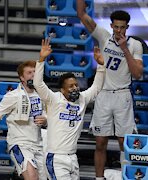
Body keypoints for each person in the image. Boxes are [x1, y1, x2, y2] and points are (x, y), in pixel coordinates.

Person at [76, 1, 143, 179]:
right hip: (103, 94)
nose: (119, 30)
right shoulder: (104, 36)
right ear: (111, 26)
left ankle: (125, 176)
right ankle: (99, 178)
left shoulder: (135, 45)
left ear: (127, 27)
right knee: (100, 142)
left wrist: (124, 49)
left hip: (123, 95)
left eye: (122, 27)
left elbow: (137, 74)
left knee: (124, 142)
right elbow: (82, 15)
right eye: (116, 27)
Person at [33, 38, 105, 179]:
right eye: (71, 86)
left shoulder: (82, 99)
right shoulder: (54, 99)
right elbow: (38, 83)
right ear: (62, 90)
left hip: (73, 157)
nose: (75, 88)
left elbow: (96, 87)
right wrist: (41, 60)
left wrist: (101, 66)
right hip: (56, 158)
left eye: (76, 85)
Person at [0, 60, 47, 180]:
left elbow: (48, 116)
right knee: (32, 177)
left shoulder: (42, 95)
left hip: (38, 144)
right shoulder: (13, 96)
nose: (33, 75)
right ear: (22, 77)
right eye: (29, 72)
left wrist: (45, 120)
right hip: (19, 143)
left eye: (35, 72)